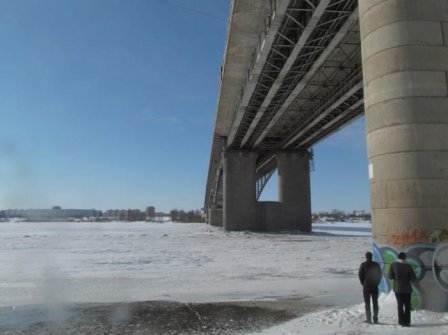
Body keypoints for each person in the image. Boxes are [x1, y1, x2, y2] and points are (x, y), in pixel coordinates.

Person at [388, 252, 417, 327]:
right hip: (407, 289)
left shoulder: (393, 265)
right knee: (407, 305)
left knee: (400, 305)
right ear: (405, 258)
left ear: (398, 257)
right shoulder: (408, 266)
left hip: (398, 288)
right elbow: (413, 278)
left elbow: (390, 276)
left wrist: (396, 276)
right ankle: (407, 322)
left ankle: (401, 322)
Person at [358, 251, 382, 324]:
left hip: (366, 286)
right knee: (375, 302)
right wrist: (377, 283)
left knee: (367, 303)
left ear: (366, 257)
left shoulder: (363, 265)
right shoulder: (376, 265)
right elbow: (380, 275)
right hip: (374, 285)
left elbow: (360, 275)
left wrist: (363, 283)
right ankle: (375, 319)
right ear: (372, 257)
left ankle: (369, 319)